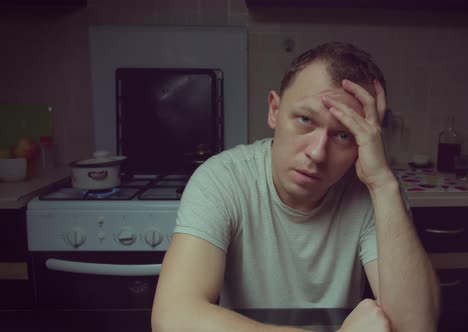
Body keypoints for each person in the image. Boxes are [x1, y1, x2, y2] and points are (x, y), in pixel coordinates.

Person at [152, 41, 440, 332]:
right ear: (275, 110)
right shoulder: (222, 179)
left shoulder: (376, 192)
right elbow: (172, 318)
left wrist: (382, 182)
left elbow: (416, 326)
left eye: (343, 135)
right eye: (305, 120)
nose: (317, 153)